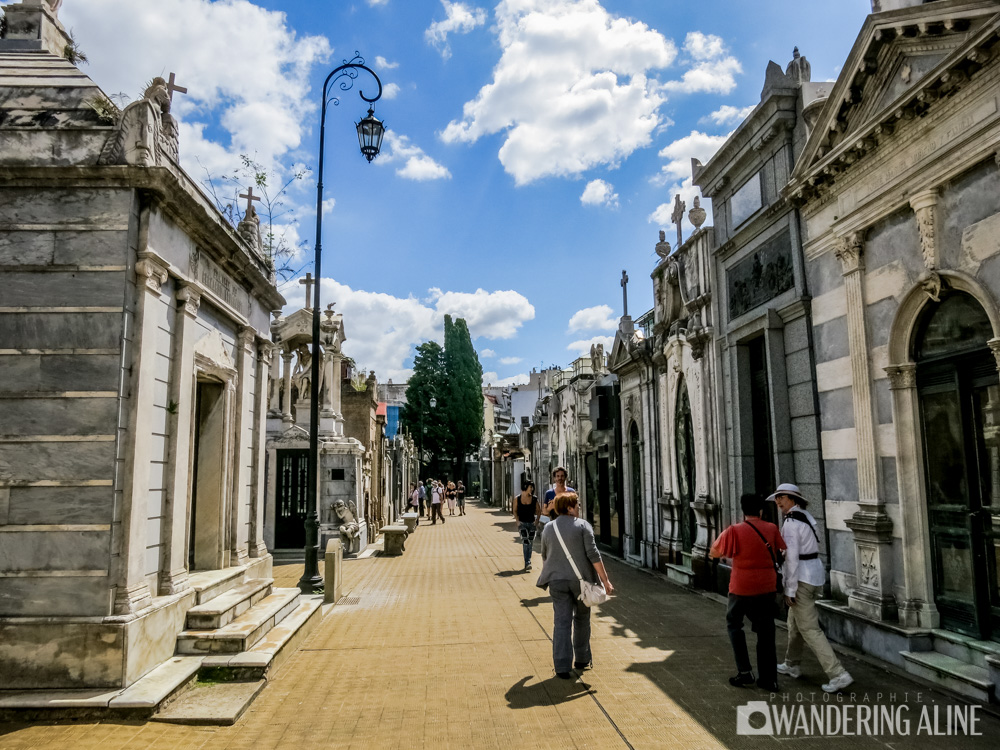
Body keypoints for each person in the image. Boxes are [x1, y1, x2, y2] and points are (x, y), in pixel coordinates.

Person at [770, 483, 854, 693]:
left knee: (809, 628)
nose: (778, 501)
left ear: (793, 499)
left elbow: (791, 558)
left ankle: (838, 674)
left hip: (801, 579)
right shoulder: (806, 517)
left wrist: (789, 589)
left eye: (782, 497)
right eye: (777, 497)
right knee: (795, 623)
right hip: (813, 575)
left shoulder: (791, 523)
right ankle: (792, 663)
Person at [710, 493, 786, 692]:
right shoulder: (771, 528)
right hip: (767, 587)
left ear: (743, 511)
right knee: (766, 631)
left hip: (741, 587)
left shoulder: (734, 530)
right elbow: (781, 550)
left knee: (734, 624)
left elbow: (715, 551)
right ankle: (769, 679)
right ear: (761, 510)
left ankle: (745, 671)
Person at [536, 492, 614, 680]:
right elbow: (594, 555)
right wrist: (605, 581)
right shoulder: (582, 526)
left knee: (561, 622)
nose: (579, 507)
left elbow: (544, 556)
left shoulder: (548, 528)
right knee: (581, 619)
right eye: (577, 504)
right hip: (581, 582)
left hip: (556, 581)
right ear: (569, 508)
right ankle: (582, 658)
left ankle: (562, 666)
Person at [513, 481, 540, 571]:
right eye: (530, 487)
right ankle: (527, 562)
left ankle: (528, 560)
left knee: (530, 542)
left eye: (532, 488)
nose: (531, 489)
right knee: (525, 541)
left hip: (532, 523)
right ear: (525, 487)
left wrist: (536, 521)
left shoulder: (534, 499)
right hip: (522, 523)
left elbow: (539, 511)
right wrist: (517, 521)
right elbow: (515, 510)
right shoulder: (517, 499)